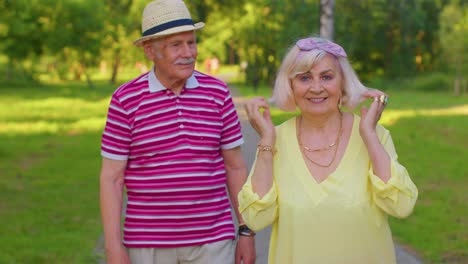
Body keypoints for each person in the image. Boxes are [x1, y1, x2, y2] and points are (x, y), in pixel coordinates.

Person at [99, 1, 256, 263]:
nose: (188, 53)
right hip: (148, 244)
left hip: (214, 242)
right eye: (176, 45)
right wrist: (113, 247)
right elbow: (111, 179)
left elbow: (236, 168)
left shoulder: (217, 93)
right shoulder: (125, 100)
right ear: (150, 50)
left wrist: (247, 232)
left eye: (191, 42)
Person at [239, 37, 418, 263]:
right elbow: (256, 218)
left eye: (326, 76)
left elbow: (401, 205)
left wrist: (369, 136)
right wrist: (266, 142)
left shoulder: (374, 135)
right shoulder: (275, 140)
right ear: (290, 86)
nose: (316, 87)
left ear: (343, 83)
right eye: (305, 78)